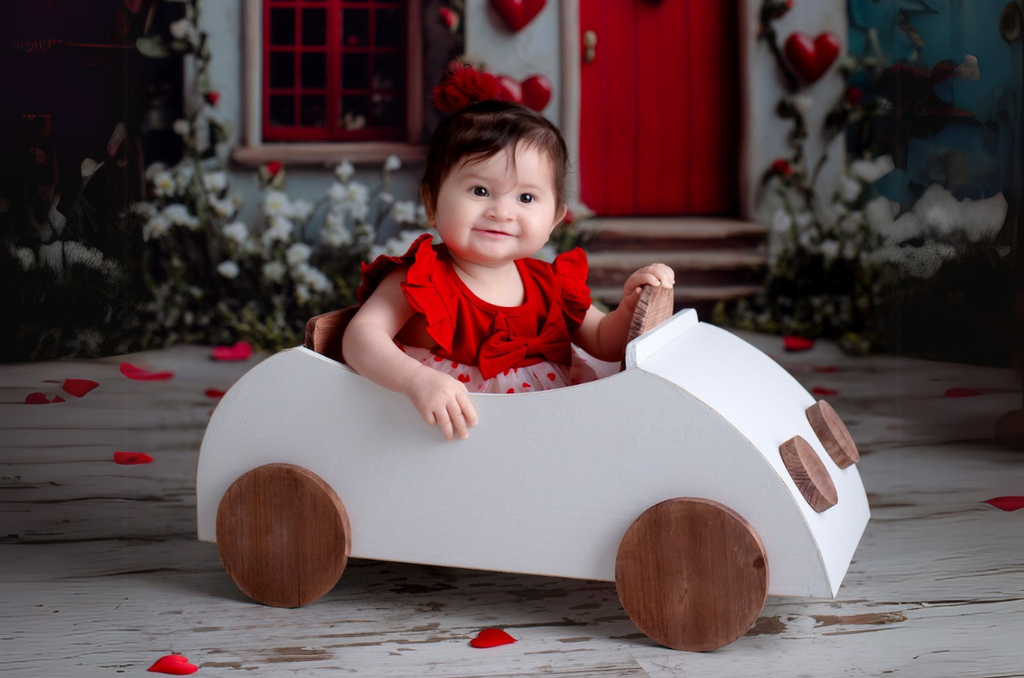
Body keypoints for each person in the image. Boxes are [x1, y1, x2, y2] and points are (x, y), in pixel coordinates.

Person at [343, 68, 674, 442]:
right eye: (480, 191)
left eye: (526, 198)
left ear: (554, 219)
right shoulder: (421, 280)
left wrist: (631, 306)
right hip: (452, 435)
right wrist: (416, 379)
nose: (502, 211)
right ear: (431, 203)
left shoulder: (552, 285)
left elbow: (602, 341)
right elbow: (361, 337)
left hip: (549, 431)